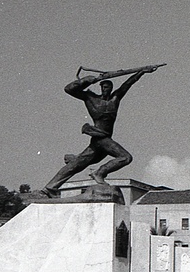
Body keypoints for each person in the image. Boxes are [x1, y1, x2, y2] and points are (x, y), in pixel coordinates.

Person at [42, 66, 158, 197]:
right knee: (125, 157)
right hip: (101, 139)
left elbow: (128, 84)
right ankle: (99, 173)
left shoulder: (115, 99)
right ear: (100, 87)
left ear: (111, 88)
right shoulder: (91, 98)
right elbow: (69, 89)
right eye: (103, 86)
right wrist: (87, 80)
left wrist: (141, 72)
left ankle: (50, 187)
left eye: (108, 87)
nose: (105, 89)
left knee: (77, 164)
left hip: (103, 141)